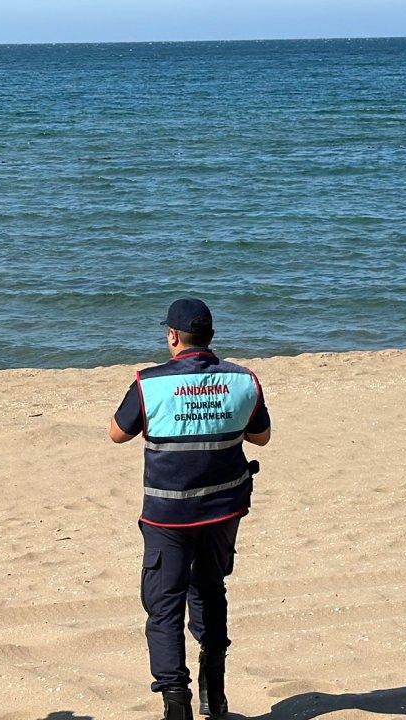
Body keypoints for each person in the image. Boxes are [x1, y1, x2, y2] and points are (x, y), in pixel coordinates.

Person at [108, 299, 271, 720]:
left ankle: (176, 702)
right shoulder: (243, 379)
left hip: (168, 515)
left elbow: (117, 433)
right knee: (210, 590)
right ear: (210, 336)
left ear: (173, 336)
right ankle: (214, 695)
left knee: (164, 603)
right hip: (222, 509)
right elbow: (262, 437)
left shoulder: (149, 383)